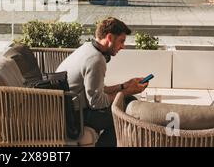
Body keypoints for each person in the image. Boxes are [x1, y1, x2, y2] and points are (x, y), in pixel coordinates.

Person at [56, 17, 148, 147]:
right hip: (74, 116)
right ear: (109, 37)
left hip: (68, 109)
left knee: (128, 100)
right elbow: (97, 103)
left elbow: (98, 90)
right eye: (121, 41)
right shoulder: (96, 59)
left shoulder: (87, 48)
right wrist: (126, 92)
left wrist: (124, 85)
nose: (123, 46)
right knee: (127, 111)